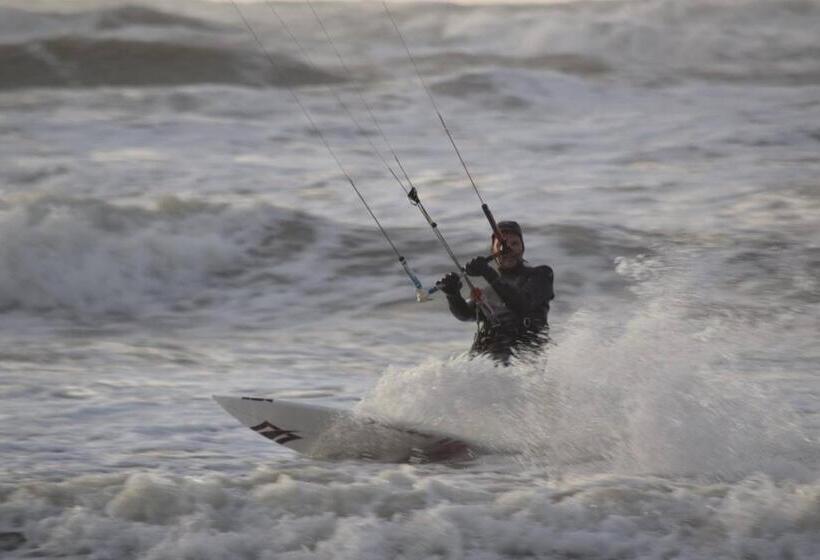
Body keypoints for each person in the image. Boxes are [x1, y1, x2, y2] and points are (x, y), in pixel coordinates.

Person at [438, 221, 554, 364]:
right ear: (493, 251)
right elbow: (466, 314)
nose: (508, 249)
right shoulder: (489, 290)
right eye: (502, 245)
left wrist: (488, 272)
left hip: (524, 364)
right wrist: (453, 294)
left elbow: (522, 304)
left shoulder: (541, 275)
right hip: (486, 365)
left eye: (514, 244)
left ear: (522, 248)